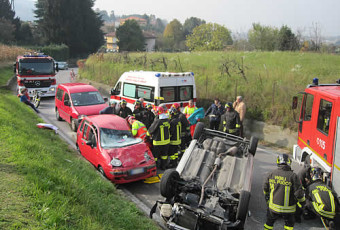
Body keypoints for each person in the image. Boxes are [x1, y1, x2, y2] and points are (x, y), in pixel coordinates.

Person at [263, 154, 305, 230]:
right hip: (289, 210)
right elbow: (299, 193)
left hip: (273, 207)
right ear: (289, 162)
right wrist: (302, 203)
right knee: (289, 225)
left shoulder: (271, 174)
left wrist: (267, 199)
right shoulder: (293, 176)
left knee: (269, 224)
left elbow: (265, 189)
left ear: (278, 162)